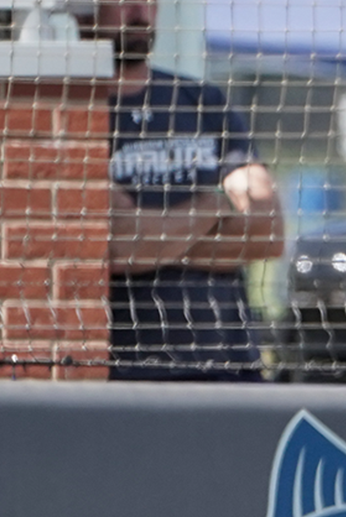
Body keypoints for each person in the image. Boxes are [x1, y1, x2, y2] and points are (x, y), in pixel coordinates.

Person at [79, 0, 284, 381]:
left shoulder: (204, 103)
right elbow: (120, 245)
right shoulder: (78, 112)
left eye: (150, 1)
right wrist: (216, 203)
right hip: (129, 371)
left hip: (229, 366)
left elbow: (268, 232)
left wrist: (154, 240)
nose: (140, 11)